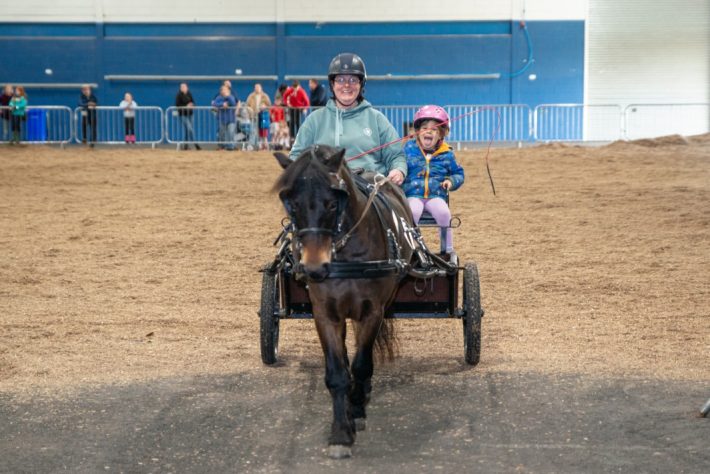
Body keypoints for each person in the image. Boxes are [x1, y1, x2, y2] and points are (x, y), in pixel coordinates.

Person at [289, 52, 406, 185]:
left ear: (361, 84)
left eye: (353, 80)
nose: (346, 85)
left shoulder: (377, 119)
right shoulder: (314, 120)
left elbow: (396, 155)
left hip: (369, 187)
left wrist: (398, 170)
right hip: (326, 189)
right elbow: (296, 156)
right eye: (340, 80)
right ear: (332, 84)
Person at [402, 105, 464, 255]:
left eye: (434, 129)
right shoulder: (407, 150)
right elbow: (398, 166)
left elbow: (459, 173)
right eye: (424, 128)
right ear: (417, 132)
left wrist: (451, 181)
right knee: (412, 213)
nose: (429, 131)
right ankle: (410, 250)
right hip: (412, 195)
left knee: (444, 213)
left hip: (436, 196)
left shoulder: (447, 154)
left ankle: (447, 250)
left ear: (441, 134)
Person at [175, 83, 200, 150]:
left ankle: (185, 146)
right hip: (183, 115)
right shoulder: (178, 95)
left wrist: (192, 105)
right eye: (182, 87)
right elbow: (177, 105)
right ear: (180, 88)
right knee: (190, 129)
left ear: (187, 87)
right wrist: (186, 106)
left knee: (187, 130)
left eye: (184, 87)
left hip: (190, 114)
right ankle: (196, 144)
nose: (183, 88)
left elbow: (193, 102)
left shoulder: (189, 93)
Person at [211, 85, 237, 150]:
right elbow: (214, 104)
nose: (223, 91)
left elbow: (233, 103)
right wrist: (222, 104)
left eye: (225, 90)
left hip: (231, 118)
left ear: (228, 91)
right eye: (222, 90)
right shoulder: (219, 97)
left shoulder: (231, 97)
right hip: (222, 119)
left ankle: (231, 146)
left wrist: (227, 96)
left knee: (231, 132)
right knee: (221, 133)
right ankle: (222, 146)